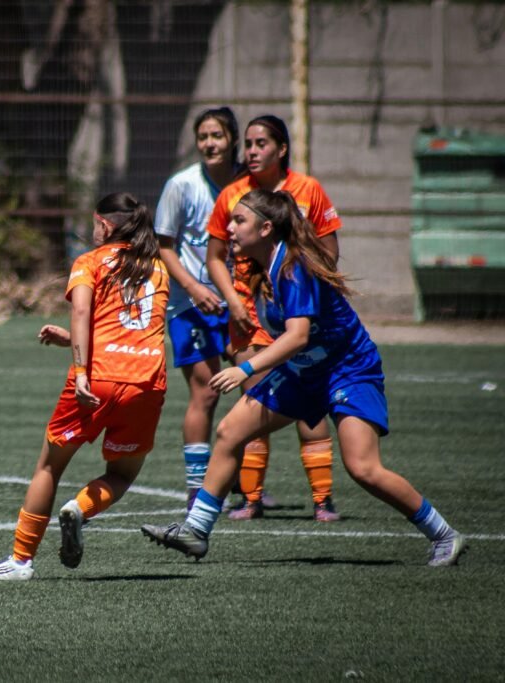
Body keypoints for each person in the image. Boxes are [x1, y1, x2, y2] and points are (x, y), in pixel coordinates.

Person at [140, 189, 467, 567]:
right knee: (230, 431)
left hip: (348, 368)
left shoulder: (293, 268)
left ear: (265, 228)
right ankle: (196, 531)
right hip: (305, 371)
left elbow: (298, 335)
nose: (228, 228)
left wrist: (244, 369)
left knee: (362, 468)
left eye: (238, 221)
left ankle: (444, 534)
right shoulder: (267, 267)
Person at [0, 192, 169, 581]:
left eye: (95, 223)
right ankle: (79, 509)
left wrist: (80, 370)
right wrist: (73, 339)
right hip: (147, 381)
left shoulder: (90, 261)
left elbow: (82, 310)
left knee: (49, 466)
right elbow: (128, 325)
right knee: (122, 474)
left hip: (97, 378)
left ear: (105, 224)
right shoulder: (157, 266)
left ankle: (20, 561)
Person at [204, 114, 341, 522]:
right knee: (256, 404)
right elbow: (213, 257)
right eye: (247, 143)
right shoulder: (232, 194)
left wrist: (302, 289)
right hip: (248, 318)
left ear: (282, 149)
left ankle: (322, 499)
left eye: (261, 143)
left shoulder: (308, 190)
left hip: (297, 318)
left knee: (308, 406)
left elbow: (329, 252)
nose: (251, 151)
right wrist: (232, 299)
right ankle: (252, 498)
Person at [153, 106, 241, 509]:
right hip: (192, 304)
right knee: (204, 394)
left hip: (243, 301)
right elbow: (164, 245)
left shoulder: (248, 184)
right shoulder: (181, 185)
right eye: (203, 136)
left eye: (217, 136)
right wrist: (192, 287)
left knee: (255, 390)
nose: (209, 144)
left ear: (232, 140)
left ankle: (247, 488)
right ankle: (195, 488)